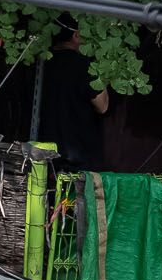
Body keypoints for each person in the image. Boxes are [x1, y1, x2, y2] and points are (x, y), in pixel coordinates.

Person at [41, 24, 112, 173]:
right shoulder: (85, 66)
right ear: (77, 35)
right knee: (76, 195)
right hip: (77, 154)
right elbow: (103, 105)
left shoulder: (43, 61)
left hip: (43, 149)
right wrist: (101, 66)